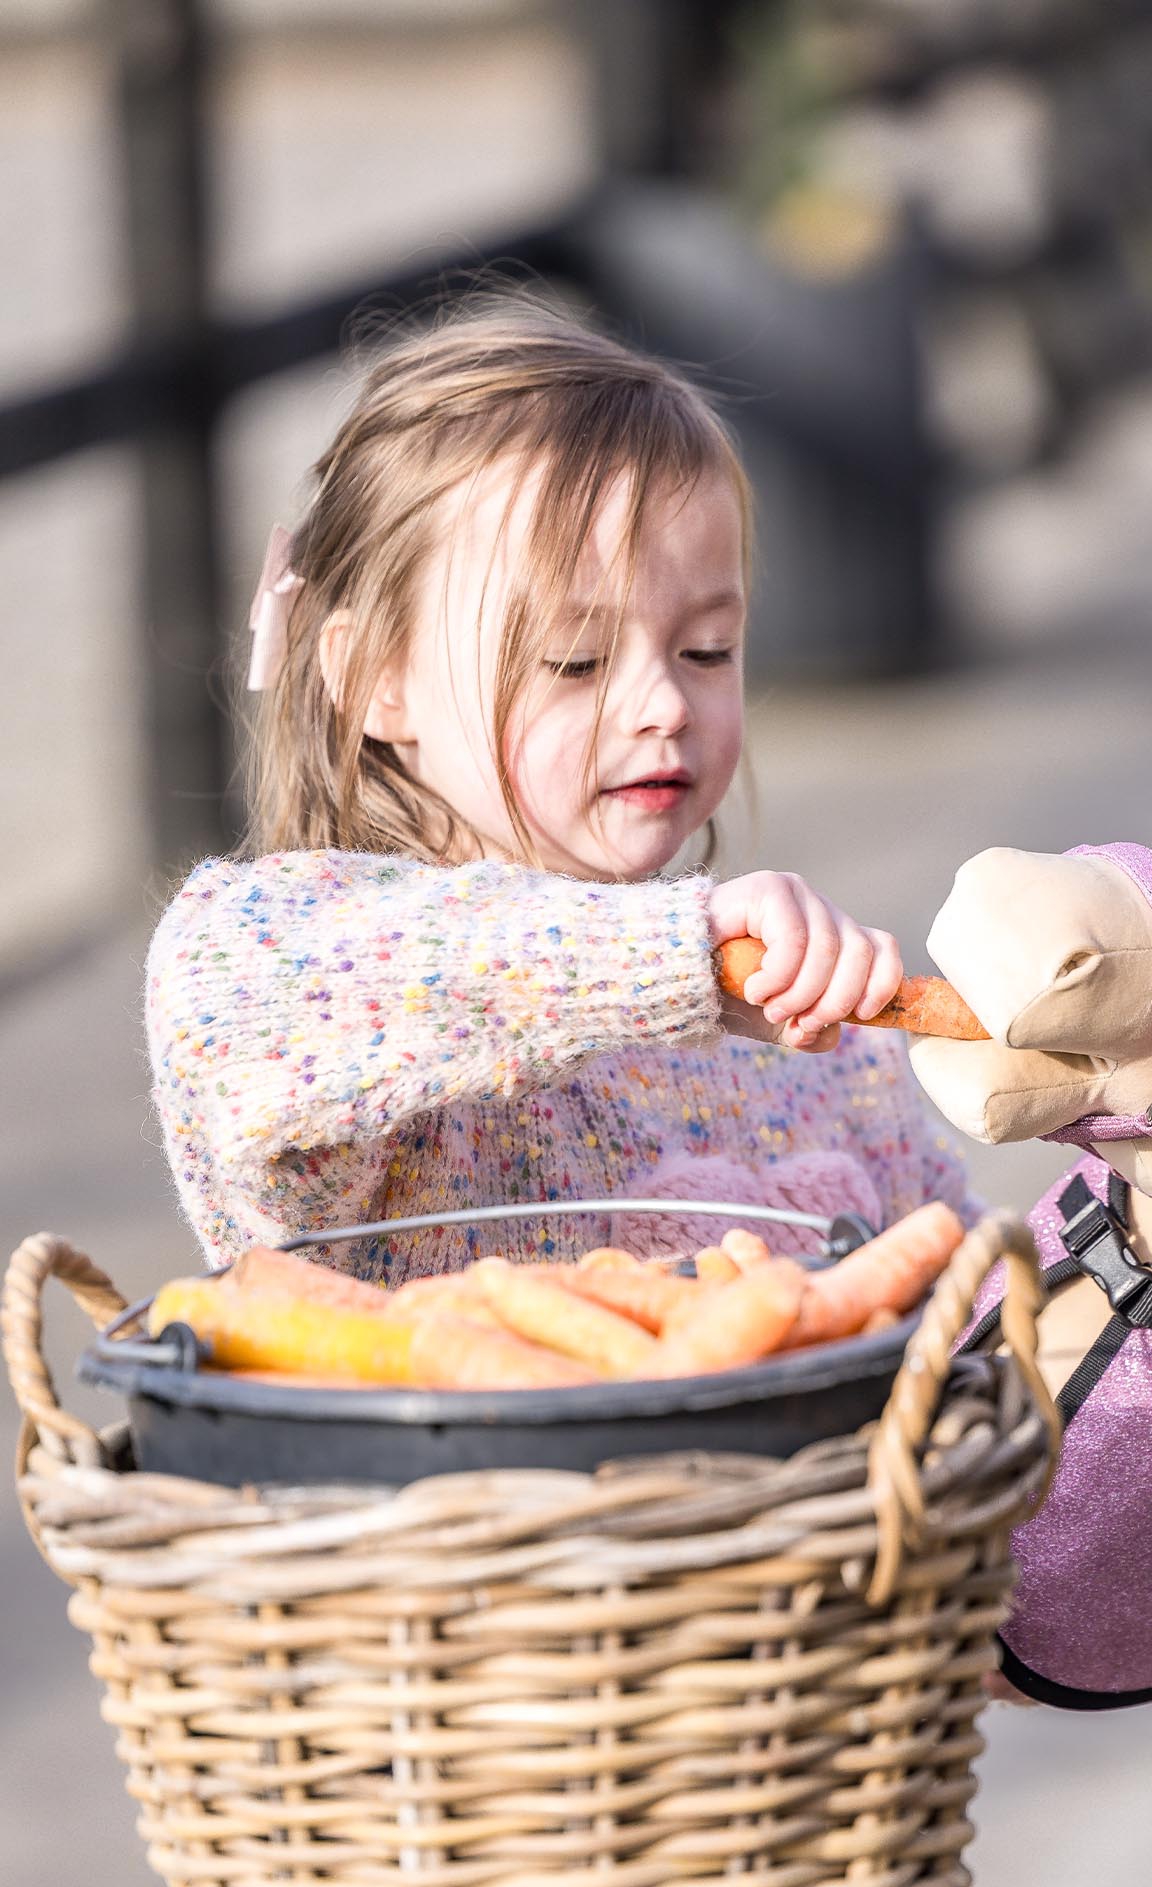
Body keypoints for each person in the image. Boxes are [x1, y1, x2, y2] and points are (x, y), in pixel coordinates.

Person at [146, 300, 977, 1280]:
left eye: (706, 649)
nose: (663, 702)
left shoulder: (821, 1042)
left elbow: (971, 1304)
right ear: (377, 679)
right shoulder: (283, 961)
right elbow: (240, 995)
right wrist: (677, 959)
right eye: (573, 661)